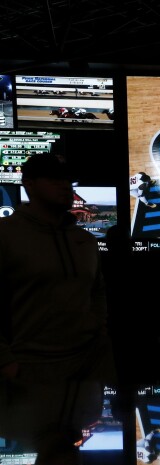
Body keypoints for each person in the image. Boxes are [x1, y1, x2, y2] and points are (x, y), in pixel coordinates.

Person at [0, 153, 115, 386]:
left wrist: (97, 330)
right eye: (54, 179)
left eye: (67, 180)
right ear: (29, 184)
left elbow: (97, 291)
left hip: (88, 366)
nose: (64, 186)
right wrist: (5, 362)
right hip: (30, 368)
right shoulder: (6, 234)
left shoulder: (85, 239)